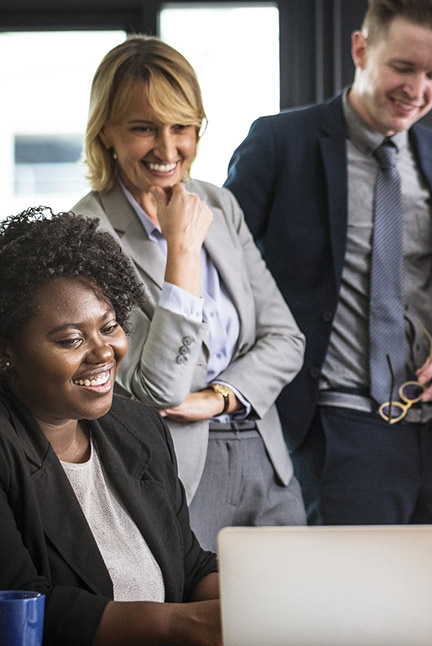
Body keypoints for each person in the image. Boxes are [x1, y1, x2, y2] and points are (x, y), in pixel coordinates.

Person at [224, 0, 432, 631]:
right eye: (403, 67)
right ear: (361, 50)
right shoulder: (279, 143)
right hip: (334, 425)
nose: (418, 90)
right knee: (355, 621)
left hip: (431, 429)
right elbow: (222, 271)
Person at [73, 37, 307, 552]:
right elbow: (157, 389)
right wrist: (181, 252)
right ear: (106, 132)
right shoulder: (86, 233)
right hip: (176, 469)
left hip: (265, 457)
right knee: (198, 629)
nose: (167, 148)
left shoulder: (219, 205)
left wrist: (217, 398)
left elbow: (286, 339)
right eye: (143, 128)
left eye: (182, 127)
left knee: (295, 624)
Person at [0, 207, 221, 646]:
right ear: (7, 353)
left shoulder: (136, 427)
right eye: (70, 340)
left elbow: (189, 564)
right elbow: (21, 602)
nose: (104, 352)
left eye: (109, 326)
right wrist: (180, 625)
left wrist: (258, 599)